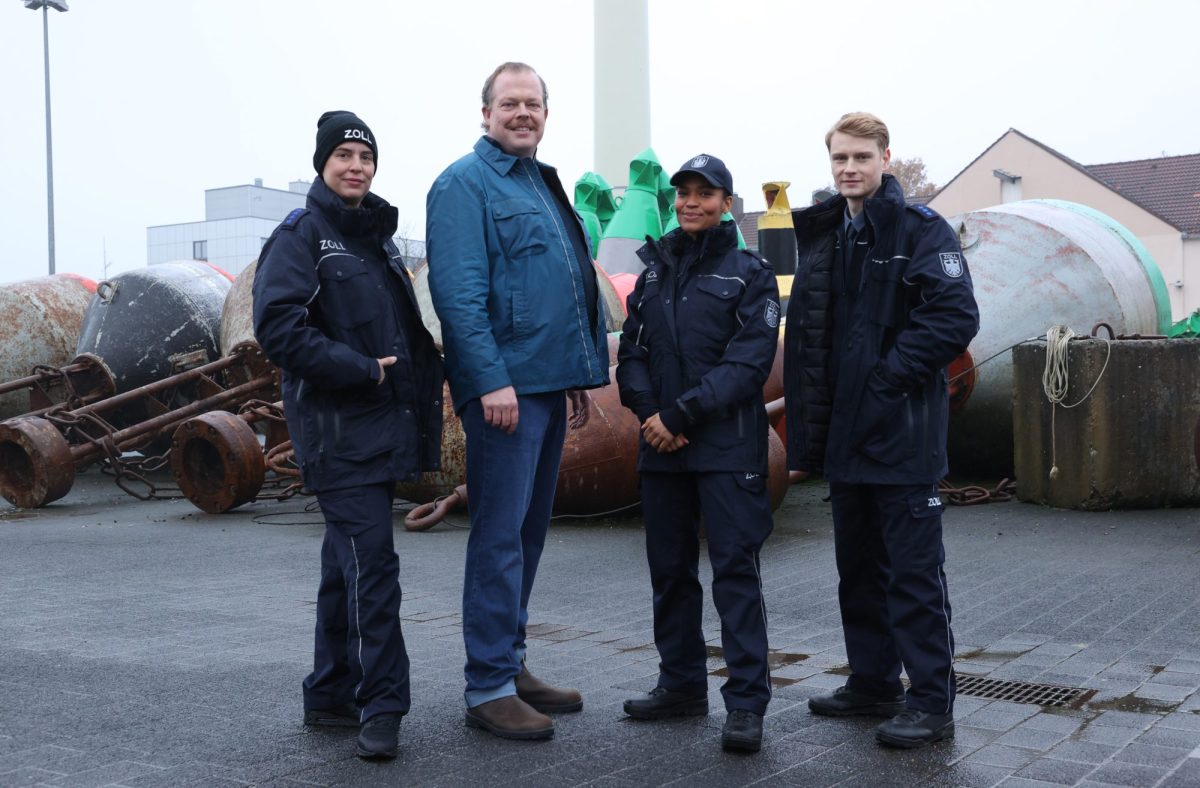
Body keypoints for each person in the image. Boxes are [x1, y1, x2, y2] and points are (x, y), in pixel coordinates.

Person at [425, 62, 609, 741]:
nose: (523, 113)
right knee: (500, 536)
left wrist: (571, 380)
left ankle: (513, 662)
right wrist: (491, 379)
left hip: (542, 387)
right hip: (504, 392)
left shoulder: (538, 182)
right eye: (510, 103)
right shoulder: (463, 185)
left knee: (528, 534)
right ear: (485, 113)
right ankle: (488, 686)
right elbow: (460, 296)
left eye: (533, 103)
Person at [783, 112, 979, 748]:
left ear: (885, 158)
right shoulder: (827, 235)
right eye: (839, 157)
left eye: (861, 157)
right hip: (845, 438)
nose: (849, 168)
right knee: (858, 569)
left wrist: (887, 380)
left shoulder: (919, 230)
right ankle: (872, 683)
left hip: (902, 433)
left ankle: (931, 701)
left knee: (913, 575)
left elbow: (955, 316)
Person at [252, 111, 444, 760]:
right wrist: (361, 370)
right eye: (344, 154)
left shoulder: (374, 239)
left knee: (346, 567)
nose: (356, 164)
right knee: (375, 568)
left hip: (378, 430)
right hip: (337, 435)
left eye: (365, 155)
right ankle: (383, 705)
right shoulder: (303, 236)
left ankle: (330, 694)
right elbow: (278, 329)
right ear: (322, 164)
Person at [617, 154, 780, 753]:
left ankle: (745, 704)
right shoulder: (653, 273)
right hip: (662, 448)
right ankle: (681, 685)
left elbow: (748, 363)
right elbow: (630, 353)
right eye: (682, 192)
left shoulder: (749, 274)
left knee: (735, 572)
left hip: (725, 449)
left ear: (726, 204)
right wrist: (647, 415)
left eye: (705, 194)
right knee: (671, 573)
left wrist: (680, 415)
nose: (691, 202)